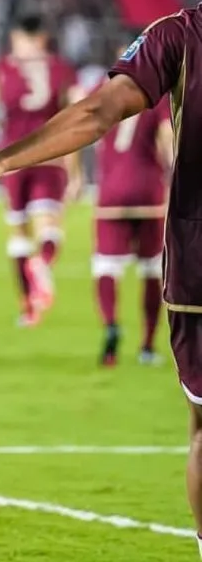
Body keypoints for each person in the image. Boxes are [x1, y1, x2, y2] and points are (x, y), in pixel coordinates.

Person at [0, 8, 202, 555]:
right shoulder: (76, 63)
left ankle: (48, 280)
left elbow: (99, 112)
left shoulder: (179, 34)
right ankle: (54, 271)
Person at [0, 11, 82, 325]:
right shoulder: (60, 68)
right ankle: (43, 263)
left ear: (17, 37)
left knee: (18, 234)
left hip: (11, 159)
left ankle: (28, 307)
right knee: (49, 225)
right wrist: (76, 171)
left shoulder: (2, 68)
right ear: (44, 37)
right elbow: (80, 105)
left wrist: (2, 123)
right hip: (49, 156)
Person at [87, 48, 173, 366]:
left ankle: (110, 326)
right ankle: (148, 346)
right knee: (152, 268)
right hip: (149, 193)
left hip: (111, 192)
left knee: (106, 266)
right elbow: (168, 142)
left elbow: (84, 132)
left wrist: (76, 176)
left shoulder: (101, 88)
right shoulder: (158, 95)